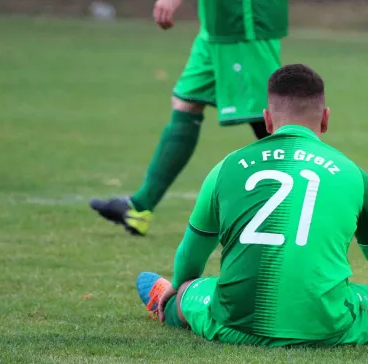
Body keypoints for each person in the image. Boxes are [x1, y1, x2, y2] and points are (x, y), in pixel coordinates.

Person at [134, 64, 368, 346]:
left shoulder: (225, 168)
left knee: (194, 291)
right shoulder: (354, 174)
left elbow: (190, 254)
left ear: (267, 121)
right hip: (325, 327)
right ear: (326, 119)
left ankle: (167, 304)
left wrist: (180, 286)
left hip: (233, 325)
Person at [89, 0, 288, 236]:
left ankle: (307, 204)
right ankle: (140, 207)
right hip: (216, 23)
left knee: (264, 115)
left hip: (244, 20)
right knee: (187, 103)